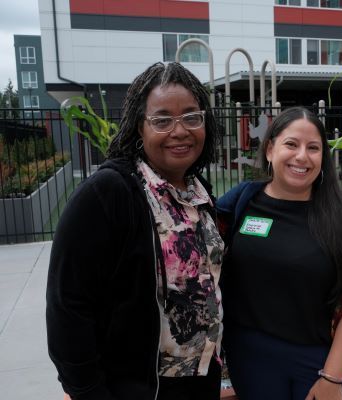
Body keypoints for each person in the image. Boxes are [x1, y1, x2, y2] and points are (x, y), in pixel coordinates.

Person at [46, 62, 224, 400]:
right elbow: (67, 307)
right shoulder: (108, 193)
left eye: (191, 116)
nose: (180, 130)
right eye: (161, 120)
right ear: (138, 128)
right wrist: (87, 390)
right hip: (136, 388)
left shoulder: (199, 193)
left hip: (201, 380)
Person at [216, 107, 342, 400]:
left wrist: (331, 377)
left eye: (313, 148)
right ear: (270, 149)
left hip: (318, 359)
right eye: (291, 144)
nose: (302, 156)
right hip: (251, 358)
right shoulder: (241, 202)